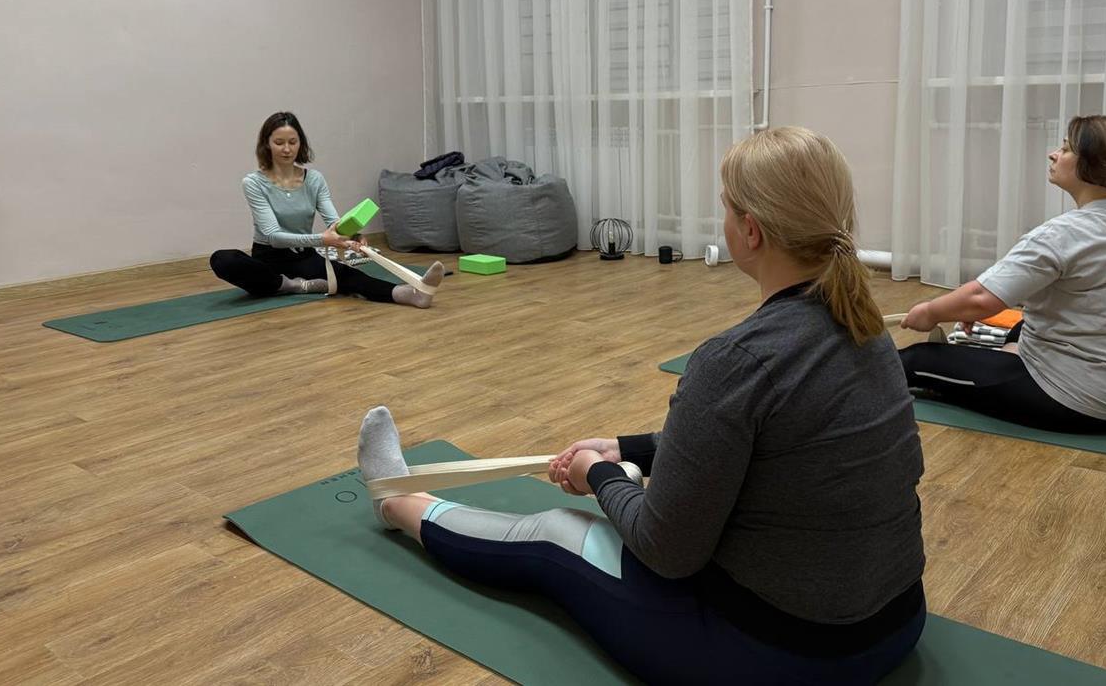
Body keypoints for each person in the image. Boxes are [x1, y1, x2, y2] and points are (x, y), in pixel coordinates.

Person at [356, 127, 926, 685]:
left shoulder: (735, 360)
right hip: (895, 629)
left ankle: (396, 502)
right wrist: (626, 449)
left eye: (726, 209)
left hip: (775, 657)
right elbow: (773, 445)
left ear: (750, 230)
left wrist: (597, 473)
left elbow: (665, 549)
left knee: (554, 531)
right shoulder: (868, 330)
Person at [899, 115, 1106, 431]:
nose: (1053, 154)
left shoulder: (1062, 233)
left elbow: (981, 298)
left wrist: (930, 312)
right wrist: (965, 308)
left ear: (1090, 164)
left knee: (914, 360)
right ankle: (1013, 359)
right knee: (1023, 326)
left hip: (1086, 402)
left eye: (1065, 149)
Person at [210, 111, 443, 307]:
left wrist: (352, 236)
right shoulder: (253, 183)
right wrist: (323, 240)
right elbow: (274, 237)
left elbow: (334, 221)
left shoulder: (314, 179)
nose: (287, 149)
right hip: (268, 257)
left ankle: (413, 294)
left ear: (301, 143)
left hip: (304, 256)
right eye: (279, 143)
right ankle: (290, 285)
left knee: (345, 275)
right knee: (223, 259)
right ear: (266, 145)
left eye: (293, 142)